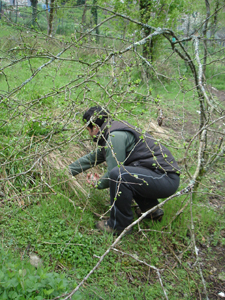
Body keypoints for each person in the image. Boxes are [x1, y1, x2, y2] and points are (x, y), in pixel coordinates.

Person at [69, 106, 180, 235]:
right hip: (162, 177)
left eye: (88, 130)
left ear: (95, 127)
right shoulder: (115, 130)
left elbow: (114, 173)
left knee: (119, 174)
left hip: (165, 180)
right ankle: (150, 209)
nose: (89, 134)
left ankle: (119, 224)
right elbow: (93, 157)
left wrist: (98, 183)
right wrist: (67, 172)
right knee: (130, 173)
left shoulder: (114, 136)